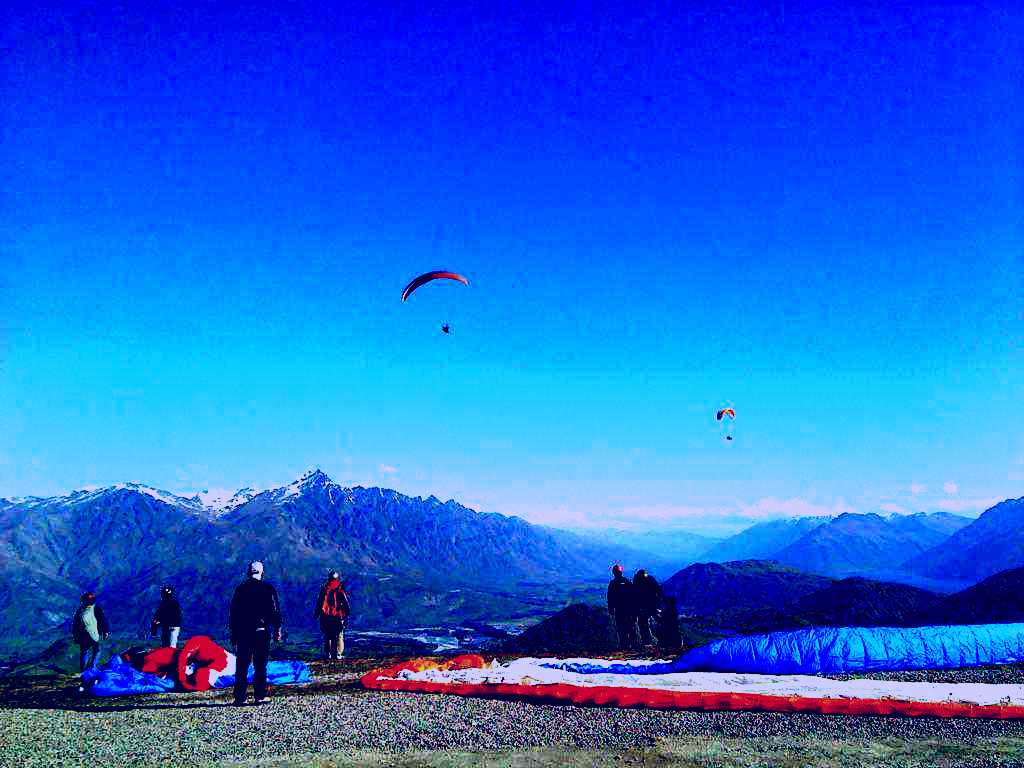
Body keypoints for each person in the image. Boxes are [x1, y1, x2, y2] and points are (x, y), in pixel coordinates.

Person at [229, 561, 282, 706]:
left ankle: (240, 697)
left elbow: (234, 613)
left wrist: (234, 633)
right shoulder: (267, 589)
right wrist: (277, 629)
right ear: (261, 572)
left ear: (248, 572)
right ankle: (260, 695)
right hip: (261, 632)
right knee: (260, 665)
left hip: (243, 632)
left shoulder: (240, 590)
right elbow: (274, 611)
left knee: (242, 665)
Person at [313, 570, 349, 660]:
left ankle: (328, 653)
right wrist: (347, 613)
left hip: (325, 615)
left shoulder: (325, 588)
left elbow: (320, 602)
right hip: (338, 615)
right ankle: (338, 653)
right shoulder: (340, 588)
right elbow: (345, 602)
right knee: (339, 635)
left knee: (327, 635)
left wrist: (316, 614)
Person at [72, 592, 109, 674]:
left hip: (83, 635)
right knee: (96, 650)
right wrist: (106, 631)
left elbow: (75, 625)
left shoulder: (80, 610)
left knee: (85, 652)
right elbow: (102, 620)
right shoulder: (96, 609)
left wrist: (75, 636)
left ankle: (84, 670)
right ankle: (92, 667)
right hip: (93, 634)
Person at [607, 564, 638, 650]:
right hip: (628, 609)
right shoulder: (627, 582)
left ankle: (625, 646)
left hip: (619, 609)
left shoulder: (613, 583)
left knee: (621, 628)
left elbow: (610, 597)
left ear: (614, 573)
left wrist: (611, 608)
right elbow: (633, 596)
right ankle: (634, 645)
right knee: (630, 627)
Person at [633, 569, 663, 647]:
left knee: (643, 624)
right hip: (650, 605)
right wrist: (657, 604)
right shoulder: (649, 579)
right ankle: (652, 641)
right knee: (653, 622)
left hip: (644, 606)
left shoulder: (638, 580)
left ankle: (647, 642)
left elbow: (634, 593)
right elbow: (659, 591)